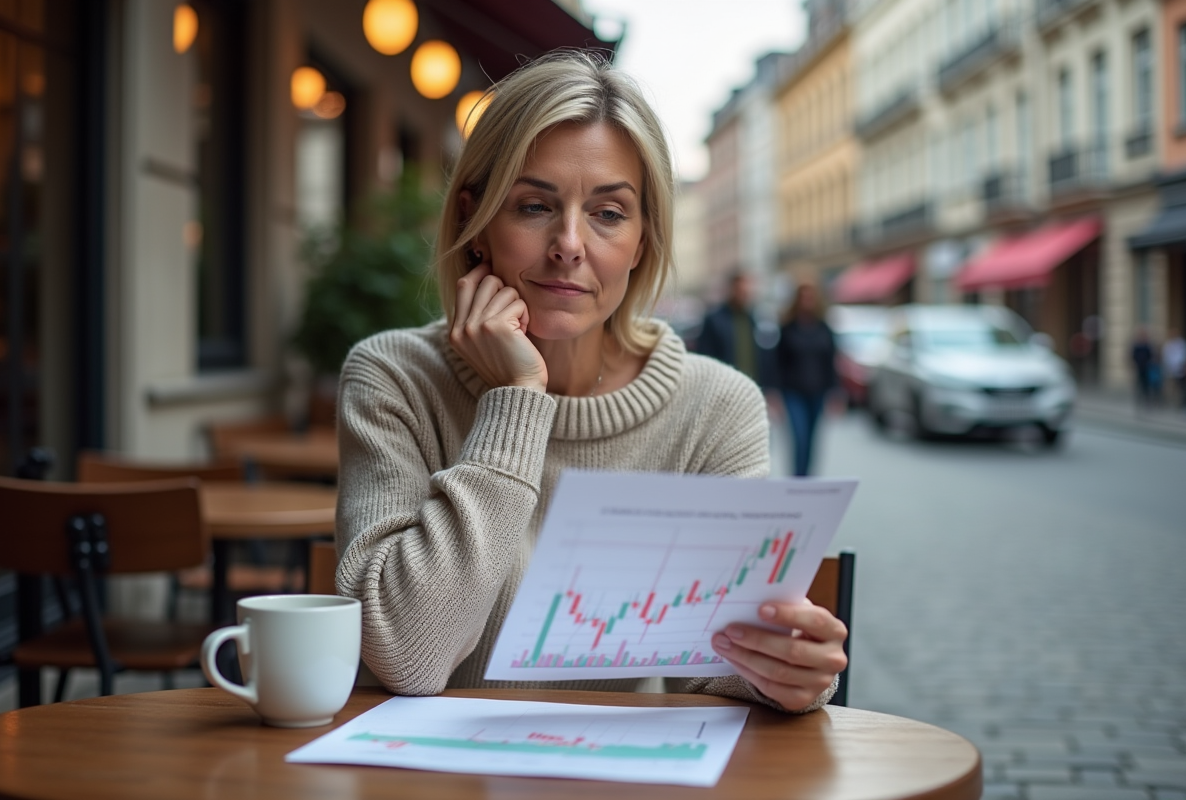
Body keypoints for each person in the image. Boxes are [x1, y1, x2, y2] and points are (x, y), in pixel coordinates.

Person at [334, 51, 846, 714]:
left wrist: (782, 669)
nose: (569, 244)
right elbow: (407, 653)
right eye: (534, 205)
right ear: (474, 218)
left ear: (641, 242)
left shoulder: (716, 408)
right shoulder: (392, 378)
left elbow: (713, 670)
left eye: (608, 213)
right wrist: (517, 398)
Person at [775, 284, 837, 476]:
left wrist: (836, 393)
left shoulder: (824, 327)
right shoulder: (788, 328)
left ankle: (808, 482)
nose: (807, 301)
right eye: (803, 296)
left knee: (812, 441)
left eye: (811, 296)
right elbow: (777, 362)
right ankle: (797, 480)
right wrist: (774, 393)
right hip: (793, 392)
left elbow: (831, 362)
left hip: (818, 392)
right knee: (799, 438)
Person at [695, 272, 773, 388]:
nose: (744, 295)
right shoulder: (715, 319)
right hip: (725, 384)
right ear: (731, 290)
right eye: (740, 291)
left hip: (752, 383)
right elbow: (705, 355)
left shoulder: (754, 318)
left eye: (746, 292)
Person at [1163, 327, 1186, 408]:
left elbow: (1184, 355)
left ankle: (1180, 402)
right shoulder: (1168, 344)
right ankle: (1172, 402)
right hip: (1171, 370)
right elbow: (1166, 357)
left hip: (1181, 369)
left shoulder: (1182, 343)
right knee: (1171, 387)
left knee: (1181, 387)